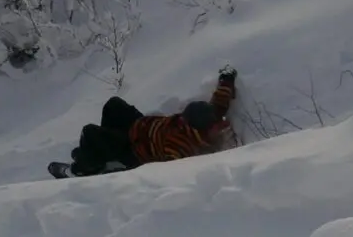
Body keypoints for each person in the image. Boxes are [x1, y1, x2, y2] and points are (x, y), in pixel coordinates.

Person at [68, 66, 239, 177]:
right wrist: (227, 78)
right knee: (113, 105)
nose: (179, 120)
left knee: (89, 132)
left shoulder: (181, 146)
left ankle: (86, 168)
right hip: (138, 125)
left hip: (134, 148)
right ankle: (104, 155)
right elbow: (219, 102)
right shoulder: (206, 119)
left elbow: (171, 172)